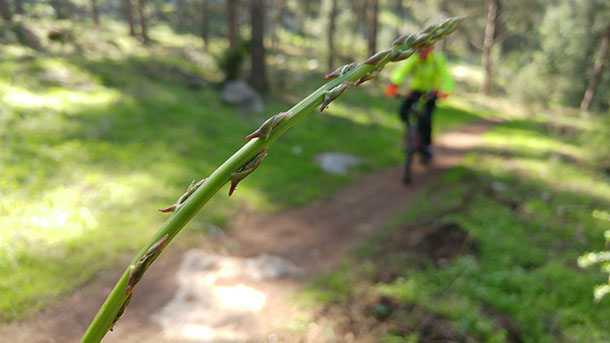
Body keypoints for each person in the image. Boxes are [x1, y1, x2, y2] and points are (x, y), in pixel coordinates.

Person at [384, 45, 454, 184]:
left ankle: (426, 145)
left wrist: (445, 90)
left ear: (431, 48)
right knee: (403, 110)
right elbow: (402, 71)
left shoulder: (437, 59)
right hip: (416, 90)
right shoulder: (414, 59)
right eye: (419, 49)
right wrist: (394, 84)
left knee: (426, 119)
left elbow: (446, 75)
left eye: (425, 49)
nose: (421, 52)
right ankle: (410, 134)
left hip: (432, 92)